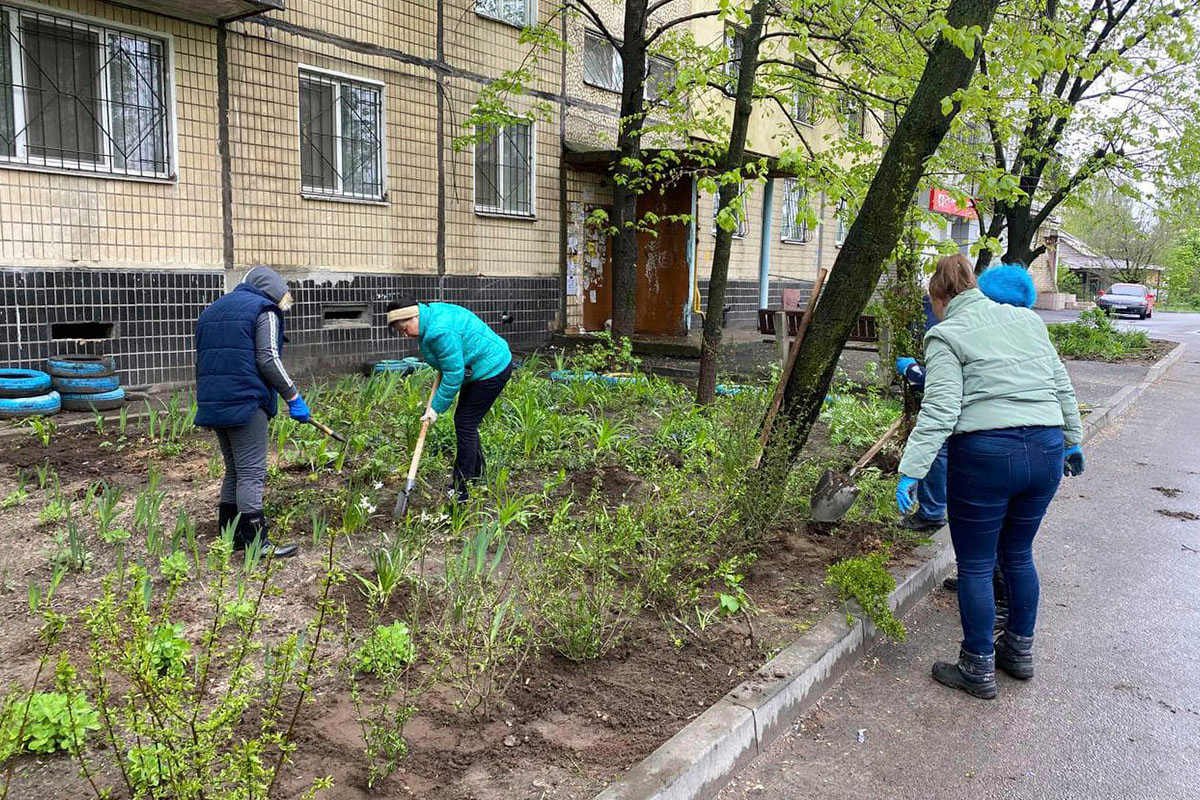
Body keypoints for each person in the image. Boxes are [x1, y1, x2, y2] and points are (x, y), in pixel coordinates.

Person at [895, 255, 1084, 699]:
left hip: (986, 457)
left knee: (978, 565)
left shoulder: (945, 335)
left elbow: (941, 410)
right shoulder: (1027, 322)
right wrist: (1073, 441)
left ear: (940, 296)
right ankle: (1018, 652)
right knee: (1018, 553)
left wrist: (911, 471)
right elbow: (1061, 386)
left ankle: (976, 666)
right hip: (1045, 450)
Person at [194, 266, 305, 559]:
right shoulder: (263, 310)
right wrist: (292, 395)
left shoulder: (212, 310)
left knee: (234, 470)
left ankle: (230, 538)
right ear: (273, 293)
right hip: (245, 401)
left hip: (214, 401)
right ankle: (258, 544)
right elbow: (268, 357)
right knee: (252, 472)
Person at [386, 296, 513, 502]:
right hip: (477, 366)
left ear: (414, 317)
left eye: (404, 329)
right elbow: (450, 363)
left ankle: (460, 488)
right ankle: (476, 475)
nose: (405, 335)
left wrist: (435, 408)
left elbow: (454, 374)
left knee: (465, 422)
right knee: (466, 421)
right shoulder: (429, 317)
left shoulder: (439, 331)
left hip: (492, 368)